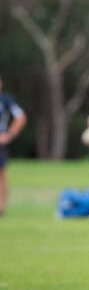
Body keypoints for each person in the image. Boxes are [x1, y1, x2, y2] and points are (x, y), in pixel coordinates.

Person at [0, 77, 27, 217]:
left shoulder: (6, 100)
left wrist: (9, 134)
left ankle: (1, 208)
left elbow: (21, 116)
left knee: (1, 174)